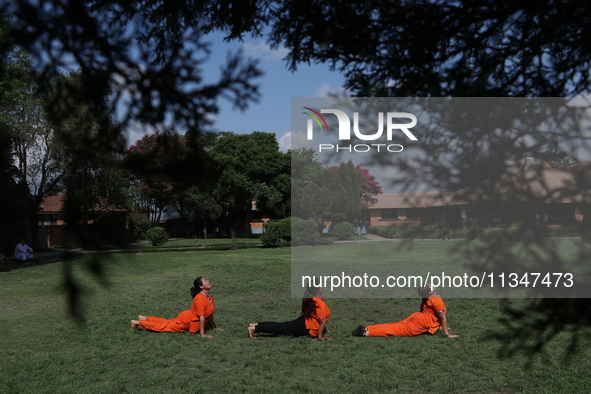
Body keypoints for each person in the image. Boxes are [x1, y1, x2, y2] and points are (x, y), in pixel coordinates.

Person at [351, 284, 458, 338]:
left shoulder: (428, 298)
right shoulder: (436, 299)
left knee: (394, 325)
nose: (432, 283)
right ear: (430, 291)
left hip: (417, 316)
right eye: (430, 284)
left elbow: (431, 314)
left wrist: (437, 326)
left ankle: (367, 328)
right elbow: (442, 317)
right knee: (396, 331)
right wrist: (447, 334)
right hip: (421, 322)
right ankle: (367, 332)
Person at [131, 277, 223, 338]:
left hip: (186, 317)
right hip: (185, 321)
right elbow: (202, 317)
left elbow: (210, 314)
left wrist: (213, 327)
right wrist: (203, 334)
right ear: (201, 286)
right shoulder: (200, 298)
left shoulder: (209, 297)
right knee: (163, 327)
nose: (208, 281)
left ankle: (145, 318)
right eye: (205, 281)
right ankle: (138, 323)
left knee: (167, 322)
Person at [248, 286, 331, 340]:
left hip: (303, 323)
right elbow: (322, 321)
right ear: (316, 290)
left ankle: (254, 325)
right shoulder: (319, 303)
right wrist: (321, 337)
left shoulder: (315, 299)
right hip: (303, 326)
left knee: (280, 326)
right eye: (321, 286)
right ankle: (254, 328)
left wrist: (324, 330)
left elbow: (318, 317)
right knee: (279, 328)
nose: (323, 287)